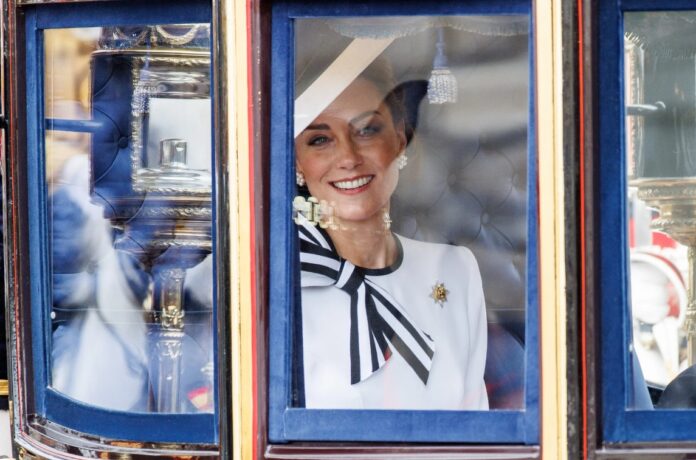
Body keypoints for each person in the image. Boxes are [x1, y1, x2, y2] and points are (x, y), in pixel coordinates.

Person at [294, 58, 488, 410]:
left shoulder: (456, 270)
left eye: (366, 130)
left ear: (399, 140)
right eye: (320, 139)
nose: (348, 157)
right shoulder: (277, 284)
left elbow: (476, 424)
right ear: (297, 163)